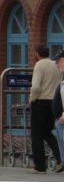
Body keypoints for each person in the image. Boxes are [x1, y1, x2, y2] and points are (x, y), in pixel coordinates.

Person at [27, 45, 64, 173]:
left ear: (37, 54)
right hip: (53, 102)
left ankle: (40, 166)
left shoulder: (39, 65)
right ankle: (61, 158)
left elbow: (36, 86)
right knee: (48, 132)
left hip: (40, 102)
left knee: (37, 134)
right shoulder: (55, 64)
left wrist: (32, 98)